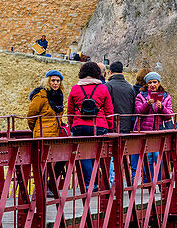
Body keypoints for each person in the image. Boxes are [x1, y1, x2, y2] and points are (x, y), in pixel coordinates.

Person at [67, 62, 114, 191]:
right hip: (99, 126)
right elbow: (109, 111)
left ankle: (89, 183)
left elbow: (70, 111)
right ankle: (97, 182)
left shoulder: (75, 88)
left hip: (79, 126)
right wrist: (110, 127)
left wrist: (72, 125)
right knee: (98, 154)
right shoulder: (103, 88)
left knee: (83, 154)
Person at [28, 69, 67, 196]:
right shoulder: (41, 95)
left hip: (55, 133)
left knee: (62, 158)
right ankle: (43, 188)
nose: (55, 83)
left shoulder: (59, 95)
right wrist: (37, 129)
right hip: (43, 134)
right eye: (53, 80)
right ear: (48, 81)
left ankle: (49, 185)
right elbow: (31, 115)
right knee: (45, 161)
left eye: (57, 81)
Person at [134, 72, 173, 181]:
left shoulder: (165, 96)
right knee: (148, 158)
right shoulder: (141, 96)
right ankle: (150, 183)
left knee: (158, 156)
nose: (152, 85)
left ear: (159, 83)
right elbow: (138, 112)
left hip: (160, 131)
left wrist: (162, 107)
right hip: (145, 131)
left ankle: (160, 181)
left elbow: (169, 115)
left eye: (154, 82)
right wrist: (148, 103)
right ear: (146, 84)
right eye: (150, 82)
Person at [106, 62, 136, 133]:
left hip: (112, 127)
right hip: (127, 126)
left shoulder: (107, 86)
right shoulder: (130, 87)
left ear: (110, 72)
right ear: (122, 72)